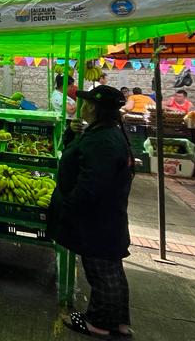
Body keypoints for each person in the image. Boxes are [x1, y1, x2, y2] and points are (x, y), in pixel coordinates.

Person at [49, 85, 134, 339]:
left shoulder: (104, 140)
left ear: (93, 108)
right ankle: (117, 322)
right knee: (110, 269)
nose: (82, 107)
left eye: (86, 104)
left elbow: (91, 183)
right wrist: (72, 135)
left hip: (97, 216)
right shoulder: (103, 133)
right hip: (105, 215)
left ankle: (98, 323)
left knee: (100, 270)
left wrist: (71, 207)